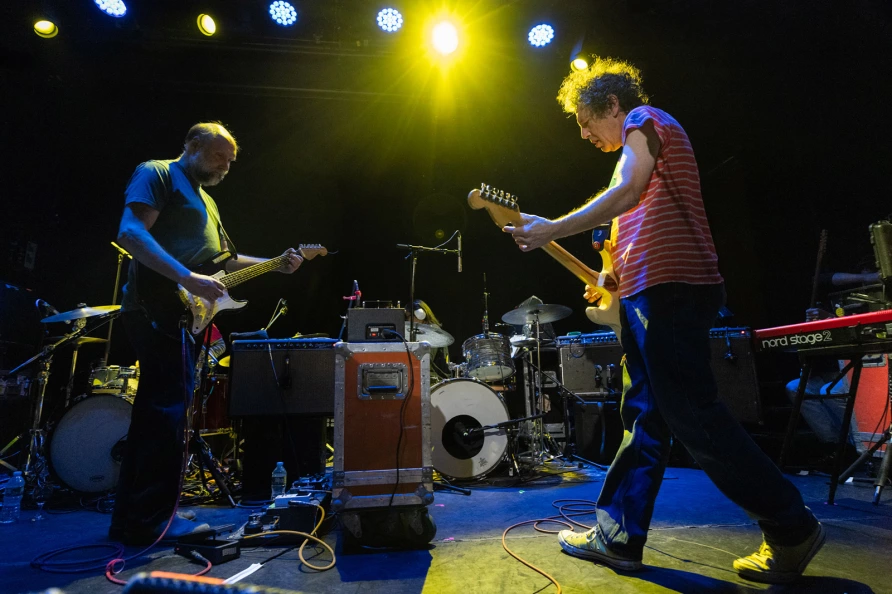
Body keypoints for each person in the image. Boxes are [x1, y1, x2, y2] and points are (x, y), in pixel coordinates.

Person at [503, 57, 824, 583]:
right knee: (646, 417)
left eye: (586, 120)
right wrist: (612, 280)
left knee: (694, 417)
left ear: (612, 104)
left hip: (672, 292)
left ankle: (793, 527)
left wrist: (551, 227)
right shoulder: (633, 150)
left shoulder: (644, 121)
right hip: (650, 293)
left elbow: (628, 191)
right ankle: (618, 536)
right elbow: (632, 221)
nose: (583, 133)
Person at [109, 122, 303, 544]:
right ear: (192, 145)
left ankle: (134, 518)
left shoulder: (209, 202)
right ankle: (154, 522)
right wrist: (187, 278)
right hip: (156, 308)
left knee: (155, 416)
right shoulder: (157, 172)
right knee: (168, 416)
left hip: (183, 315)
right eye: (219, 156)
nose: (225, 166)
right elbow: (130, 232)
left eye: (231, 162)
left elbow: (224, 262)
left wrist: (274, 262)